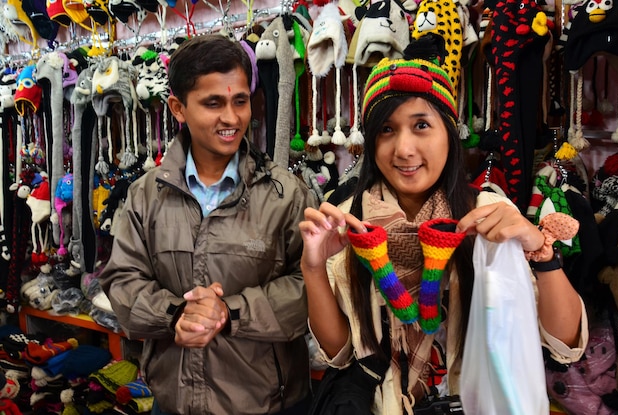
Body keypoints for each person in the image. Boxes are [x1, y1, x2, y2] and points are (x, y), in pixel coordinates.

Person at [298, 37, 588, 414]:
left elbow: (565, 343)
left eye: (421, 125)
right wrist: (314, 269)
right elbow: (339, 354)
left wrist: (542, 254)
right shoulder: (351, 218)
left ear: (449, 133)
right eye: (386, 130)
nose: (403, 149)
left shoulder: (486, 214)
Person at [99, 34, 317, 415]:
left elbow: (311, 291)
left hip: (269, 404)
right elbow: (121, 282)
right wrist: (176, 315)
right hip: (174, 401)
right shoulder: (145, 195)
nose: (231, 118)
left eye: (240, 101)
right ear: (178, 108)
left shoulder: (284, 194)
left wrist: (228, 313)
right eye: (212, 103)